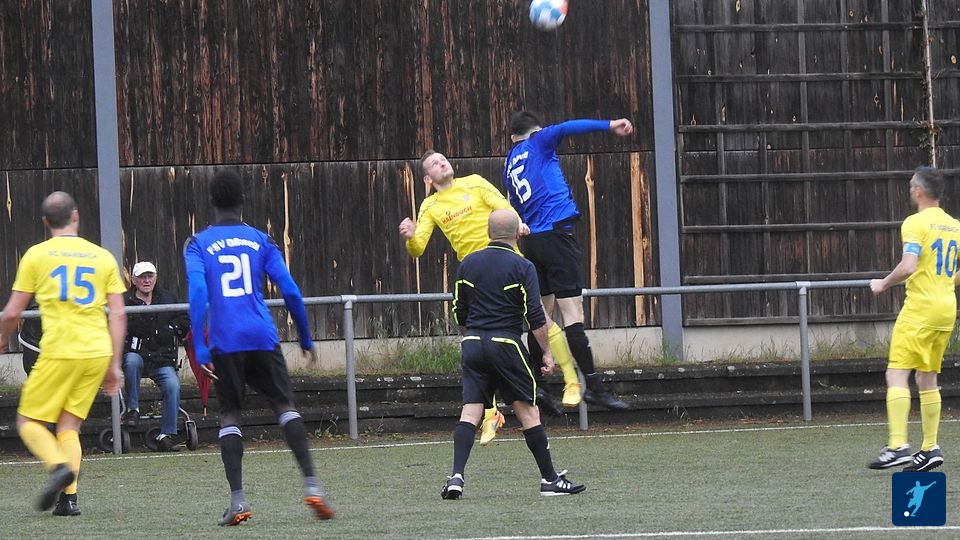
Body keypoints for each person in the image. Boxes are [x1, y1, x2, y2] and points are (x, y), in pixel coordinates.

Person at [399, 150, 583, 445]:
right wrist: (410, 238)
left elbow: (502, 205)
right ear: (427, 178)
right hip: (475, 273)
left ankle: (571, 380)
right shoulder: (430, 206)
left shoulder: (474, 182)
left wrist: (517, 223)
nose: (442, 162)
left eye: (443, 159)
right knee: (477, 339)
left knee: (539, 316)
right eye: (434, 163)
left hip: (506, 261)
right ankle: (491, 414)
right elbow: (418, 247)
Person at [184, 170, 334, 526]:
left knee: (230, 415)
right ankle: (313, 486)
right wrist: (305, 337)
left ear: (212, 202)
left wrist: (201, 347)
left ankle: (238, 500)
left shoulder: (197, 243)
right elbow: (290, 290)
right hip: (261, 335)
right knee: (285, 407)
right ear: (242, 200)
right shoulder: (261, 240)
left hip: (225, 340)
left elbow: (199, 292)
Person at [441, 209, 586, 499]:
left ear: (488, 232)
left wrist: (474, 334)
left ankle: (456, 477)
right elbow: (536, 316)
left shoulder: (468, 263)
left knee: (471, 411)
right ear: (517, 234)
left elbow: (459, 311)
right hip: (506, 344)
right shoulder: (523, 266)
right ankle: (550, 480)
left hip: (472, 343)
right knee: (528, 412)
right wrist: (546, 353)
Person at [0, 191, 126, 517]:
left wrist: (1, 338)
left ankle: (58, 467)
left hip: (61, 349)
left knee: (28, 421)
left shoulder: (36, 255)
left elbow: (12, 312)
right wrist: (113, 364)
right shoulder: (101, 257)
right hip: (96, 351)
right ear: (76, 216)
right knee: (68, 425)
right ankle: (68, 500)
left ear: (45, 222)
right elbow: (118, 313)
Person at [504, 111, 632, 410]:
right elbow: (567, 127)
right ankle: (594, 387)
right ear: (535, 130)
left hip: (532, 241)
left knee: (540, 316)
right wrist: (609, 124)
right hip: (556, 235)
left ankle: (539, 387)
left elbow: (511, 202)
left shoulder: (509, 162)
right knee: (572, 314)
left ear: (512, 137)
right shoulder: (539, 141)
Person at [867, 166, 960, 472]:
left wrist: (883, 283)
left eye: (911, 188)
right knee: (927, 378)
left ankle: (897, 446)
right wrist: (944, 280)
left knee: (896, 374)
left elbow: (908, 266)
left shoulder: (914, 223)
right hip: (946, 310)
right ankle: (930, 448)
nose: (910, 192)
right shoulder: (954, 226)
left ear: (919, 191)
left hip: (920, 310)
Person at [120, 261, 190, 452]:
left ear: (156, 278)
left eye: (150, 276)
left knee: (173, 385)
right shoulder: (124, 301)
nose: (146, 280)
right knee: (131, 361)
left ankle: (166, 434)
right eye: (142, 277)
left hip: (162, 358)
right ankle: (132, 410)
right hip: (137, 354)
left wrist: (172, 328)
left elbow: (185, 319)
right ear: (134, 280)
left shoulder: (169, 298)